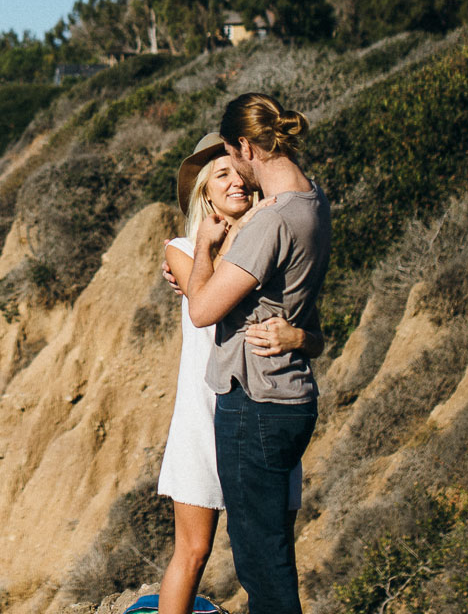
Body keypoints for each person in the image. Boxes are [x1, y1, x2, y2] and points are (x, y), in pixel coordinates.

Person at [154, 133, 314, 614]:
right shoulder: (182, 249)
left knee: (270, 550)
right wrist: (206, 243)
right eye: (220, 175)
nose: (234, 182)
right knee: (195, 550)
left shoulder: (274, 248)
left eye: (238, 172)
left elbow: (314, 334)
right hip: (204, 414)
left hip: (260, 408)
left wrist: (297, 338)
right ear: (204, 191)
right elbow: (206, 302)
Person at [183, 94, 332, 614]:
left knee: (259, 563)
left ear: (246, 145)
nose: (238, 177)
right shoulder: (313, 201)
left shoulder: (271, 223)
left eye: (232, 156)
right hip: (290, 396)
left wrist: (202, 248)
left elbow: (202, 309)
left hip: (254, 402)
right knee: (272, 550)